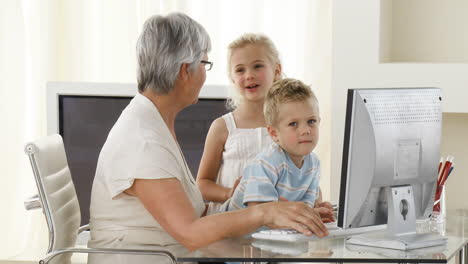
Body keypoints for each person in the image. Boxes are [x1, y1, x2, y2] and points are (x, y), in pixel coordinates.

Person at [88, 13, 333, 264]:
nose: (205, 75)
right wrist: (264, 212)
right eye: (205, 64)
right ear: (185, 71)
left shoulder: (153, 123)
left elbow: (195, 213)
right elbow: (191, 233)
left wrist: (250, 202)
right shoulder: (144, 142)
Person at [197, 33, 282, 215]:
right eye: (240, 70)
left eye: (257, 66)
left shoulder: (288, 124)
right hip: (229, 226)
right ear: (232, 78)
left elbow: (306, 175)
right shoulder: (222, 127)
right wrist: (230, 193)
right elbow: (202, 183)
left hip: (275, 226)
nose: (249, 75)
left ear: (276, 71)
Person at [224, 78, 332, 215]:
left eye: (311, 121)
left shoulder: (314, 164)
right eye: (293, 124)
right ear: (274, 133)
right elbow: (258, 211)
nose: (305, 130)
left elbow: (305, 208)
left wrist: (315, 213)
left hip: (272, 230)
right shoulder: (267, 162)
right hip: (233, 230)